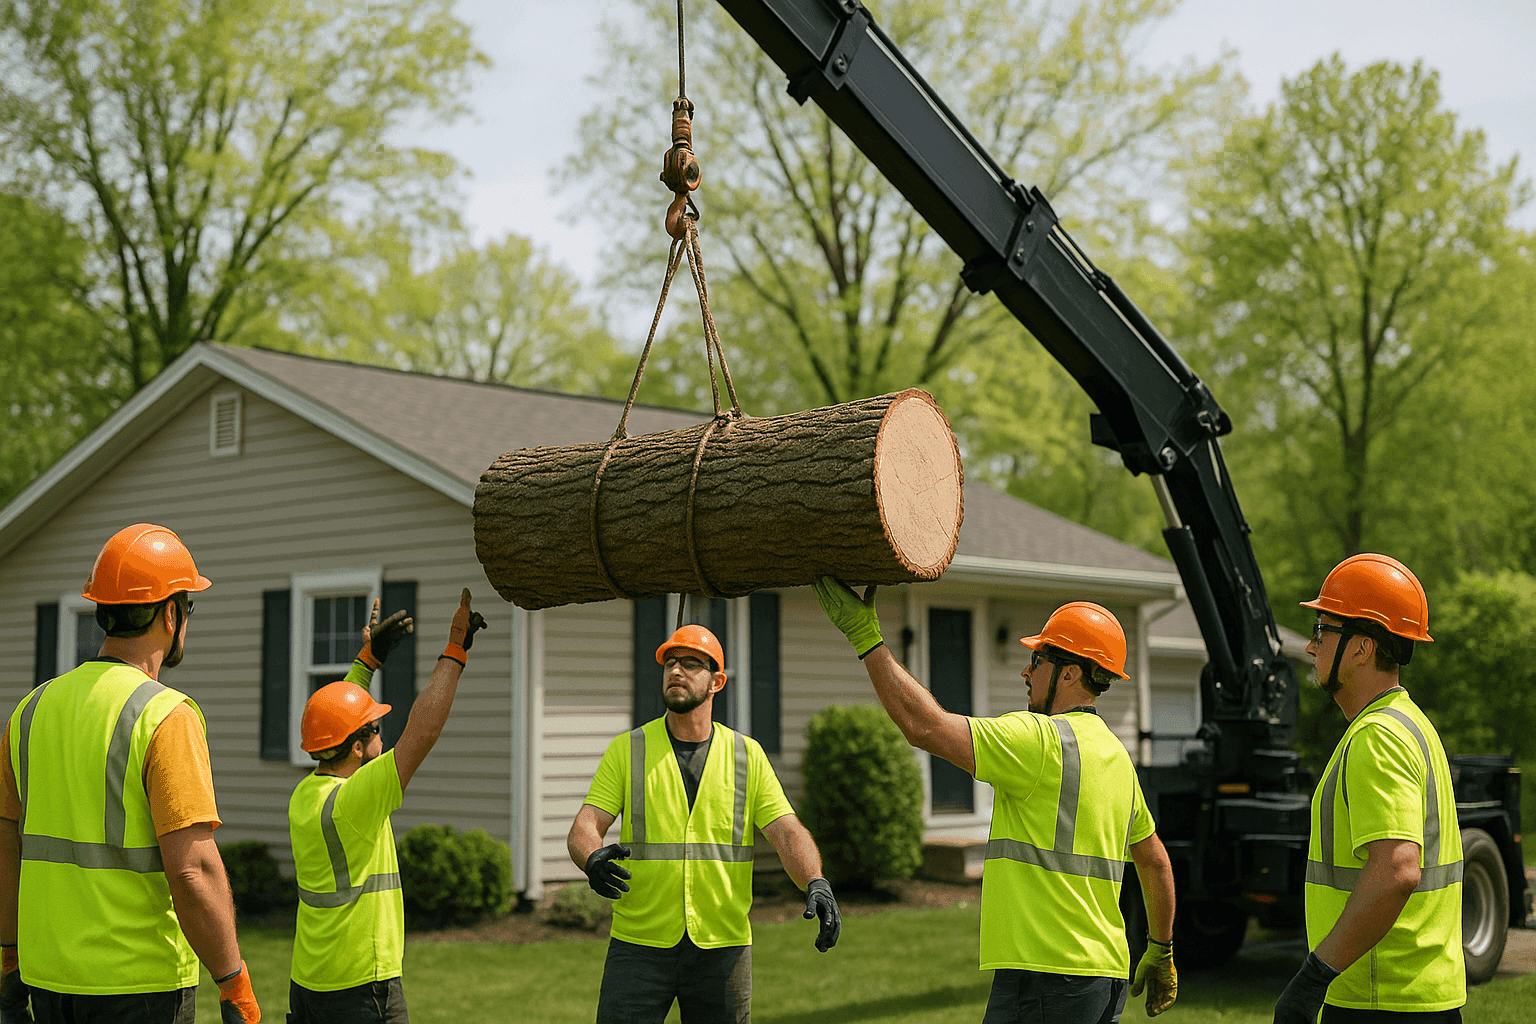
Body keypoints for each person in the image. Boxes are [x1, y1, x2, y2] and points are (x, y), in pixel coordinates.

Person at [815, 579, 1179, 1023]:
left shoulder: (1039, 740)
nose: (1025, 672)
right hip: (1103, 977)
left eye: (1037, 660)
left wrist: (866, 639)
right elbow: (1155, 861)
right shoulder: (1117, 757)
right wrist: (1161, 950)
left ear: (1069, 673)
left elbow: (925, 727)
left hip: (1046, 976)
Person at [0, 523, 260, 1024]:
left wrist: (9, 956)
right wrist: (234, 983)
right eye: (188, 608)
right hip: (139, 989)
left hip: (47, 982)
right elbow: (193, 870)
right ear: (170, 614)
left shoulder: (28, 713)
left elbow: (7, 846)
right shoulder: (166, 717)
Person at [567, 623, 841, 1024]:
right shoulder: (628, 749)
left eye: (691, 664)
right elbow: (585, 825)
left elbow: (787, 831)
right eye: (670, 664)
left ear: (717, 681)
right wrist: (590, 857)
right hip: (638, 945)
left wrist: (815, 880)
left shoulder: (747, 755)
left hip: (723, 949)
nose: (676, 671)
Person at [1274, 554, 1464, 1024]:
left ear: (1361, 648)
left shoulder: (1377, 736)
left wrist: (1314, 976)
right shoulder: (1410, 723)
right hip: (1411, 994)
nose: (1310, 647)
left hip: (1381, 998)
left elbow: (1397, 869)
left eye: (1323, 631)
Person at [287, 588, 486, 1024]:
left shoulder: (306, 795)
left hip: (309, 984)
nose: (384, 733)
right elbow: (422, 732)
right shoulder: (356, 801)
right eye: (376, 729)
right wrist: (455, 651)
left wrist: (367, 661)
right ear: (358, 748)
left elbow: (334, 717)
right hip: (361, 988)